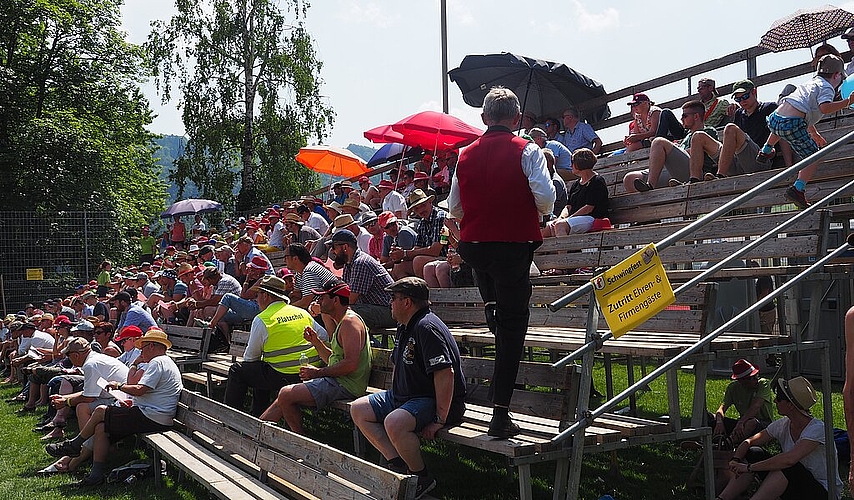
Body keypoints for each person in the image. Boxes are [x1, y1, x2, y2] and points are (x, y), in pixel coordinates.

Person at [448, 86, 555, 438]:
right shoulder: (529, 150)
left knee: (493, 288)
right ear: (516, 119)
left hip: (476, 246)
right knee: (512, 330)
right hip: (511, 247)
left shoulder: (464, 155)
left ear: (483, 118)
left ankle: (491, 304)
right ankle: (500, 413)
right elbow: (546, 200)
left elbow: (456, 210)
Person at [349, 277, 466, 498]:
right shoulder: (406, 325)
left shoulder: (427, 327)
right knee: (359, 409)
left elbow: (445, 374)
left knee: (394, 422)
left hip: (431, 400)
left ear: (407, 302)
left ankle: (421, 476)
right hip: (405, 397)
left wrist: (439, 419)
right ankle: (399, 466)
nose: (389, 302)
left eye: (393, 298)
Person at [45, 329, 183, 486]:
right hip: (152, 414)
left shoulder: (158, 362)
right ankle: (95, 475)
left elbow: (140, 390)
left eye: (143, 347)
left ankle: (75, 445)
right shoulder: (163, 362)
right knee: (101, 427)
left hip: (152, 416)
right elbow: (138, 388)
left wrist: (119, 386)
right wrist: (133, 368)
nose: (141, 351)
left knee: (101, 411)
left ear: (151, 346)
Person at [260, 279, 371, 434]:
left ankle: (300, 442)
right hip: (340, 381)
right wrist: (316, 342)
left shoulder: (349, 323)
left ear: (336, 300)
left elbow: (350, 365)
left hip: (347, 386)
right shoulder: (343, 321)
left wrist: (317, 373)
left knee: (286, 394)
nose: (319, 301)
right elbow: (335, 360)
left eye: (323, 297)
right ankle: (254, 435)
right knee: (284, 397)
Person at [718, 376, 843, 500]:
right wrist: (736, 459)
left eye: (778, 399)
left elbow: (789, 459)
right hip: (796, 486)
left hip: (824, 492)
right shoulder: (784, 424)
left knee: (786, 466)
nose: (774, 401)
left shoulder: (817, 429)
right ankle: (723, 498)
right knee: (753, 452)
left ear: (790, 405)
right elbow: (749, 442)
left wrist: (748, 467)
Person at [224, 275, 326, 416]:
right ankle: (258, 416)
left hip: (284, 374)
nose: (256, 299)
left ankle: (231, 420)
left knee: (238, 370)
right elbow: (324, 337)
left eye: (257, 294)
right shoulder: (302, 313)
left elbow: (250, 358)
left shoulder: (262, 319)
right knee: (262, 369)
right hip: (311, 372)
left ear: (266, 296)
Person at [763, 54, 852, 209]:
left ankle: (766, 150)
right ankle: (797, 189)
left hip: (775, 119)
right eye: (840, 78)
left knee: (781, 127)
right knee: (813, 156)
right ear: (837, 75)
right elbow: (825, 107)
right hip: (791, 124)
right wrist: (847, 102)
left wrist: (814, 134)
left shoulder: (810, 83)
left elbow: (803, 111)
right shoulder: (827, 88)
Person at [623, 100, 718, 191]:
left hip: (695, 172)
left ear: (696, 116)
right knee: (630, 179)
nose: (681, 119)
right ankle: (654, 205)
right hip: (675, 170)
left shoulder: (708, 131)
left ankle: (650, 185)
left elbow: (697, 153)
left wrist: (672, 150)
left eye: (684, 116)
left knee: (658, 141)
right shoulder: (686, 136)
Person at [705, 79, 789, 180]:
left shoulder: (769, 108)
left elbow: (782, 135)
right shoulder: (739, 114)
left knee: (730, 128)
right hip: (741, 163)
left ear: (754, 92)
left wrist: (789, 167)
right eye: (738, 99)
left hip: (761, 161)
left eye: (745, 96)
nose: (742, 101)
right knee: (699, 136)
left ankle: (720, 176)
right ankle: (693, 180)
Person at [330, 229, 397, 330]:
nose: (332, 251)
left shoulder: (361, 263)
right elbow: (343, 293)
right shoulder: (349, 264)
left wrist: (330, 304)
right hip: (373, 307)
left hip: (389, 311)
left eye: (334, 247)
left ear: (345, 247)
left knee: (339, 311)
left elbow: (351, 299)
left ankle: (340, 344)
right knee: (331, 310)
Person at [542, 148, 608, 237]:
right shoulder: (576, 184)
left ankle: (564, 251)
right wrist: (561, 218)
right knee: (546, 229)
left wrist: (569, 218)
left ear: (580, 163)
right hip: (574, 218)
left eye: (572, 162)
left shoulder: (597, 181)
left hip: (592, 218)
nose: (570, 165)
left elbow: (589, 208)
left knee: (560, 225)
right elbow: (568, 206)